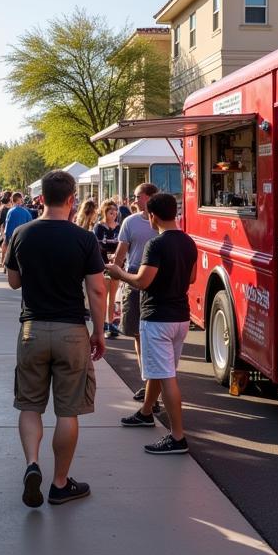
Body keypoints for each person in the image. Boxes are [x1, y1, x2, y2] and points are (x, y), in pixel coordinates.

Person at [5, 170, 107, 507]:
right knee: (68, 410)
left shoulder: (21, 233)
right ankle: (60, 483)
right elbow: (96, 288)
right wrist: (99, 331)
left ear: (41, 198)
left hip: (32, 329)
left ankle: (32, 464)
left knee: (30, 405)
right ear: (71, 198)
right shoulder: (84, 239)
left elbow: (14, 282)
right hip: (71, 331)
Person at [107, 192, 197, 455]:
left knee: (166, 376)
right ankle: (147, 412)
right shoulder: (188, 242)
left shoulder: (156, 245)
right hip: (180, 316)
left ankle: (177, 437)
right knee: (162, 370)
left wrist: (119, 273)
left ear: (153, 216)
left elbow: (142, 281)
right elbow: (191, 278)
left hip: (157, 317)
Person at [113, 182, 158, 388]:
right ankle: (146, 379)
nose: (134, 200)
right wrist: (116, 274)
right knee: (138, 333)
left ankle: (152, 382)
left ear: (149, 197)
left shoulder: (164, 222)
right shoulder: (129, 222)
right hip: (133, 281)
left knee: (154, 334)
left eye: (138, 196)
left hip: (157, 282)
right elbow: (121, 255)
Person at [93, 200, 122, 339]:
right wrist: (106, 259)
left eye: (115, 212)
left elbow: (122, 245)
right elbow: (97, 247)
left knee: (113, 295)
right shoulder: (99, 227)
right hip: (103, 265)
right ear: (105, 212)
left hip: (116, 265)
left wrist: (116, 257)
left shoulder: (119, 227)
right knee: (103, 295)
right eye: (111, 212)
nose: (114, 214)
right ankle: (102, 323)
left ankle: (111, 323)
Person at [0, 191, 32, 268]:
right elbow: (30, 225)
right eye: (22, 199)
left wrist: (6, 238)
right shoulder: (26, 212)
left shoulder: (10, 211)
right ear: (19, 200)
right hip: (23, 238)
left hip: (12, 237)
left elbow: (8, 226)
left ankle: (6, 265)